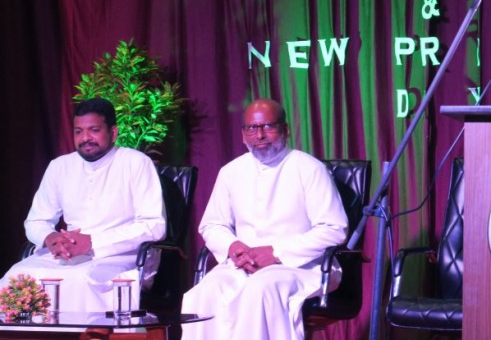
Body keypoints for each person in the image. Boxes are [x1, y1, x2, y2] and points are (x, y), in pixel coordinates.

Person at [181, 98, 348, 340]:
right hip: (243, 266)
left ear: (285, 130)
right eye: (252, 128)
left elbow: (334, 228)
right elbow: (212, 224)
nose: (259, 135)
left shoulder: (309, 168)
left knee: (259, 290)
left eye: (268, 126)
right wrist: (232, 246)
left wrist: (276, 253)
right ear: (243, 135)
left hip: (301, 266)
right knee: (204, 293)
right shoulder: (231, 172)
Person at [0, 97, 166, 313]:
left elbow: (154, 226)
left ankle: (92, 331)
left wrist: (92, 242)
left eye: (94, 130)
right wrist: (51, 238)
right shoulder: (60, 166)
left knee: (82, 279)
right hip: (67, 255)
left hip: (120, 255)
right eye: (78, 131)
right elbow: (36, 220)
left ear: (113, 132)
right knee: (15, 277)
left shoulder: (136, 162)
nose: (85, 138)